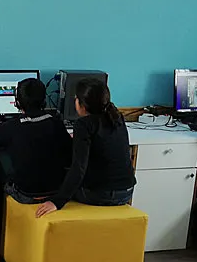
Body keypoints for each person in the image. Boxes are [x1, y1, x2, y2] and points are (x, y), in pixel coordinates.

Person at [36, 78, 135, 218]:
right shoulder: (117, 117)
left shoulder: (84, 125)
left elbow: (78, 168)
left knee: (58, 176)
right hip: (126, 192)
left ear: (82, 104)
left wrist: (57, 202)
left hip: (100, 195)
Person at [0, 78, 72, 204]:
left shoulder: (11, 127)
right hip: (57, 193)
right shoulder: (56, 123)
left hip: (26, 195)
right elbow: (69, 154)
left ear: (17, 102)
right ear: (44, 100)